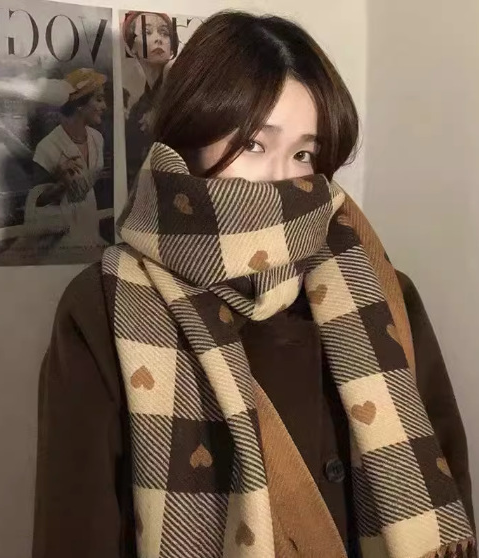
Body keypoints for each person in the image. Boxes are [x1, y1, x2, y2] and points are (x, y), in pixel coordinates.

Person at [33, 11, 476, 558]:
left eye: (303, 154)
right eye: (254, 145)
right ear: (190, 140)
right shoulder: (107, 306)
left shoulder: (382, 291)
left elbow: (447, 475)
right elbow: (75, 530)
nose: (280, 181)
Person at [29, 68, 108, 246]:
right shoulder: (47, 148)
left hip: (91, 231)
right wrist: (61, 185)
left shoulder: (97, 139)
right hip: (60, 242)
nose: (104, 106)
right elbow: (35, 203)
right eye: (99, 99)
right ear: (80, 104)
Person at [122, 11, 179, 188]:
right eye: (147, 32)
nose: (158, 39)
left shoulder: (183, 80)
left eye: (164, 33)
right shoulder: (137, 109)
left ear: (172, 48)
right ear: (132, 48)